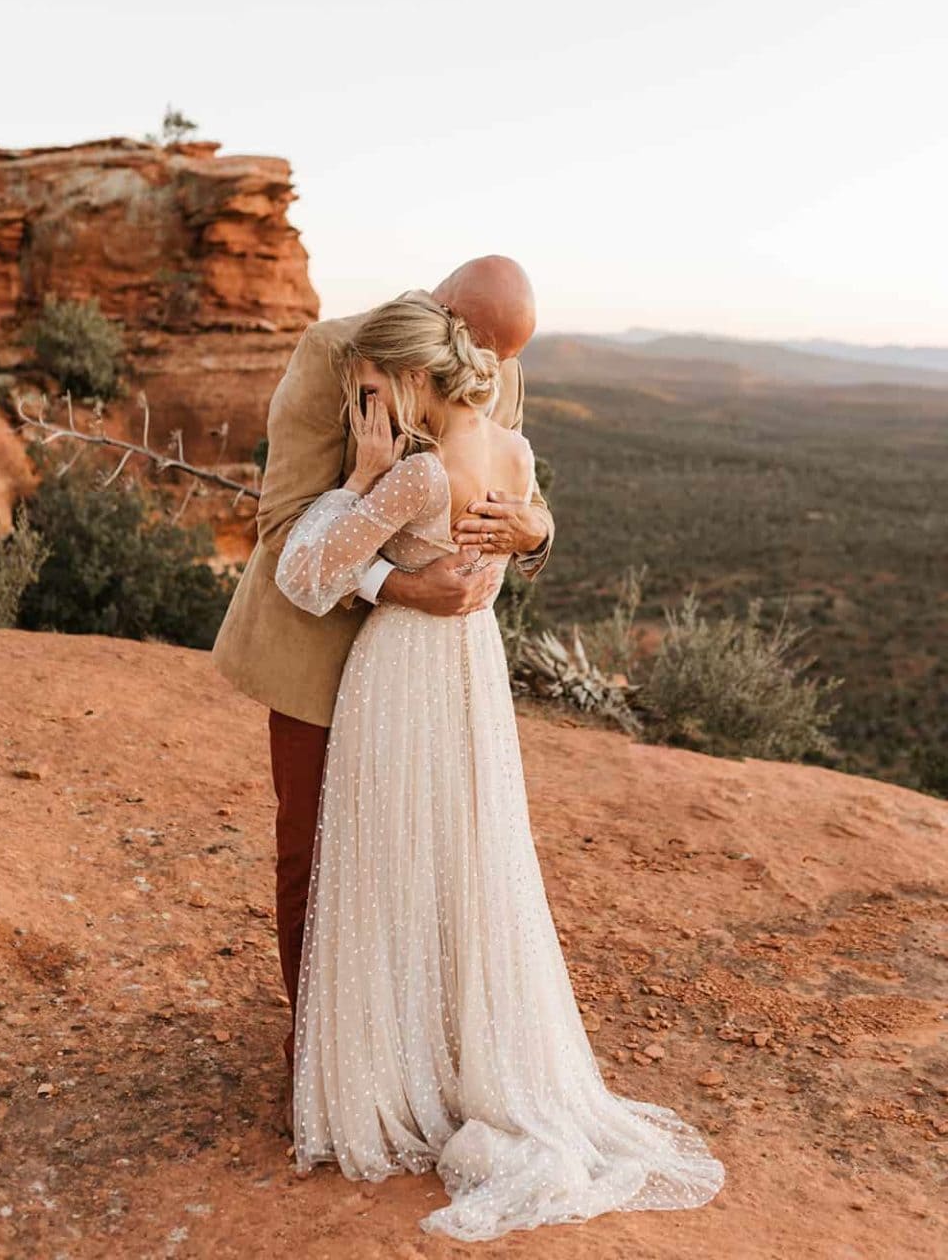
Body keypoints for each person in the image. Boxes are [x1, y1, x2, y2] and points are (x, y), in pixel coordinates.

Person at [270, 289, 726, 1241]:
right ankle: (454, 1045)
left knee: (387, 862)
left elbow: (303, 574)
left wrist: (360, 474)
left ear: (403, 380)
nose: (369, 413)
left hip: (400, 677)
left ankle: (394, 1070)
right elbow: (519, 508)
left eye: (371, 394)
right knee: (466, 856)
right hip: (472, 679)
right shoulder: (512, 453)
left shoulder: (413, 477)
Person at [210, 256, 555, 1128]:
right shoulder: (333, 352)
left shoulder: (497, 368)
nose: (482, 368)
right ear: (440, 312)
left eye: (501, 357)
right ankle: (317, 1060)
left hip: (434, 671)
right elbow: (285, 523)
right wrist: (401, 589)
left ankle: (409, 1049)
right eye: (474, 343)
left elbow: (518, 490)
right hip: (320, 643)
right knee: (316, 853)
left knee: (421, 854)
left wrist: (534, 531)